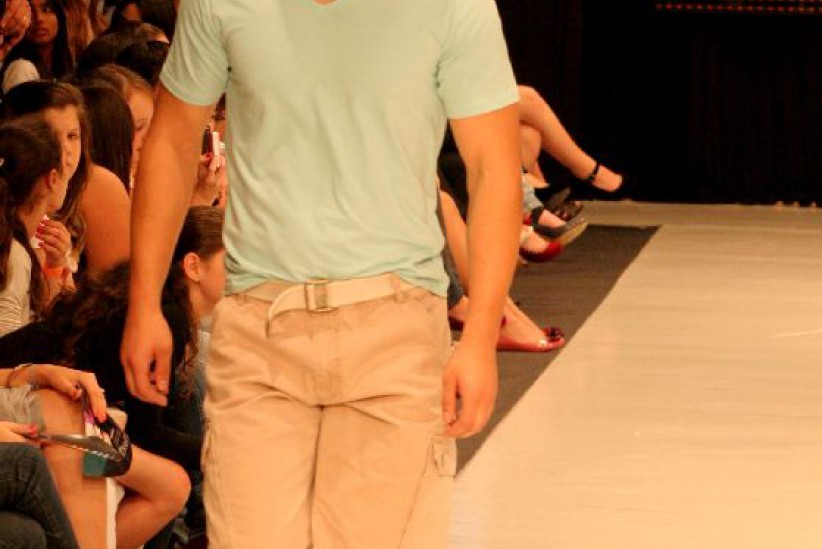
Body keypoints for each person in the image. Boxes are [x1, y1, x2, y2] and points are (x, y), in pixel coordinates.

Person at [122, 1, 523, 547]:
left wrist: (480, 336)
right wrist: (144, 301)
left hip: (396, 329)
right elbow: (171, 140)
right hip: (259, 328)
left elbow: (494, 167)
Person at [0, 117, 72, 337]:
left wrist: (54, 266)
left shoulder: (16, 246)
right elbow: (8, 344)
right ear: (52, 178)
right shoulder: (12, 253)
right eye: (65, 166)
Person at [1, 0, 74, 94]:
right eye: (30, 11)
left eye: (46, 9)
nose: (39, 19)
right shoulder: (21, 69)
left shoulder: (66, 62)